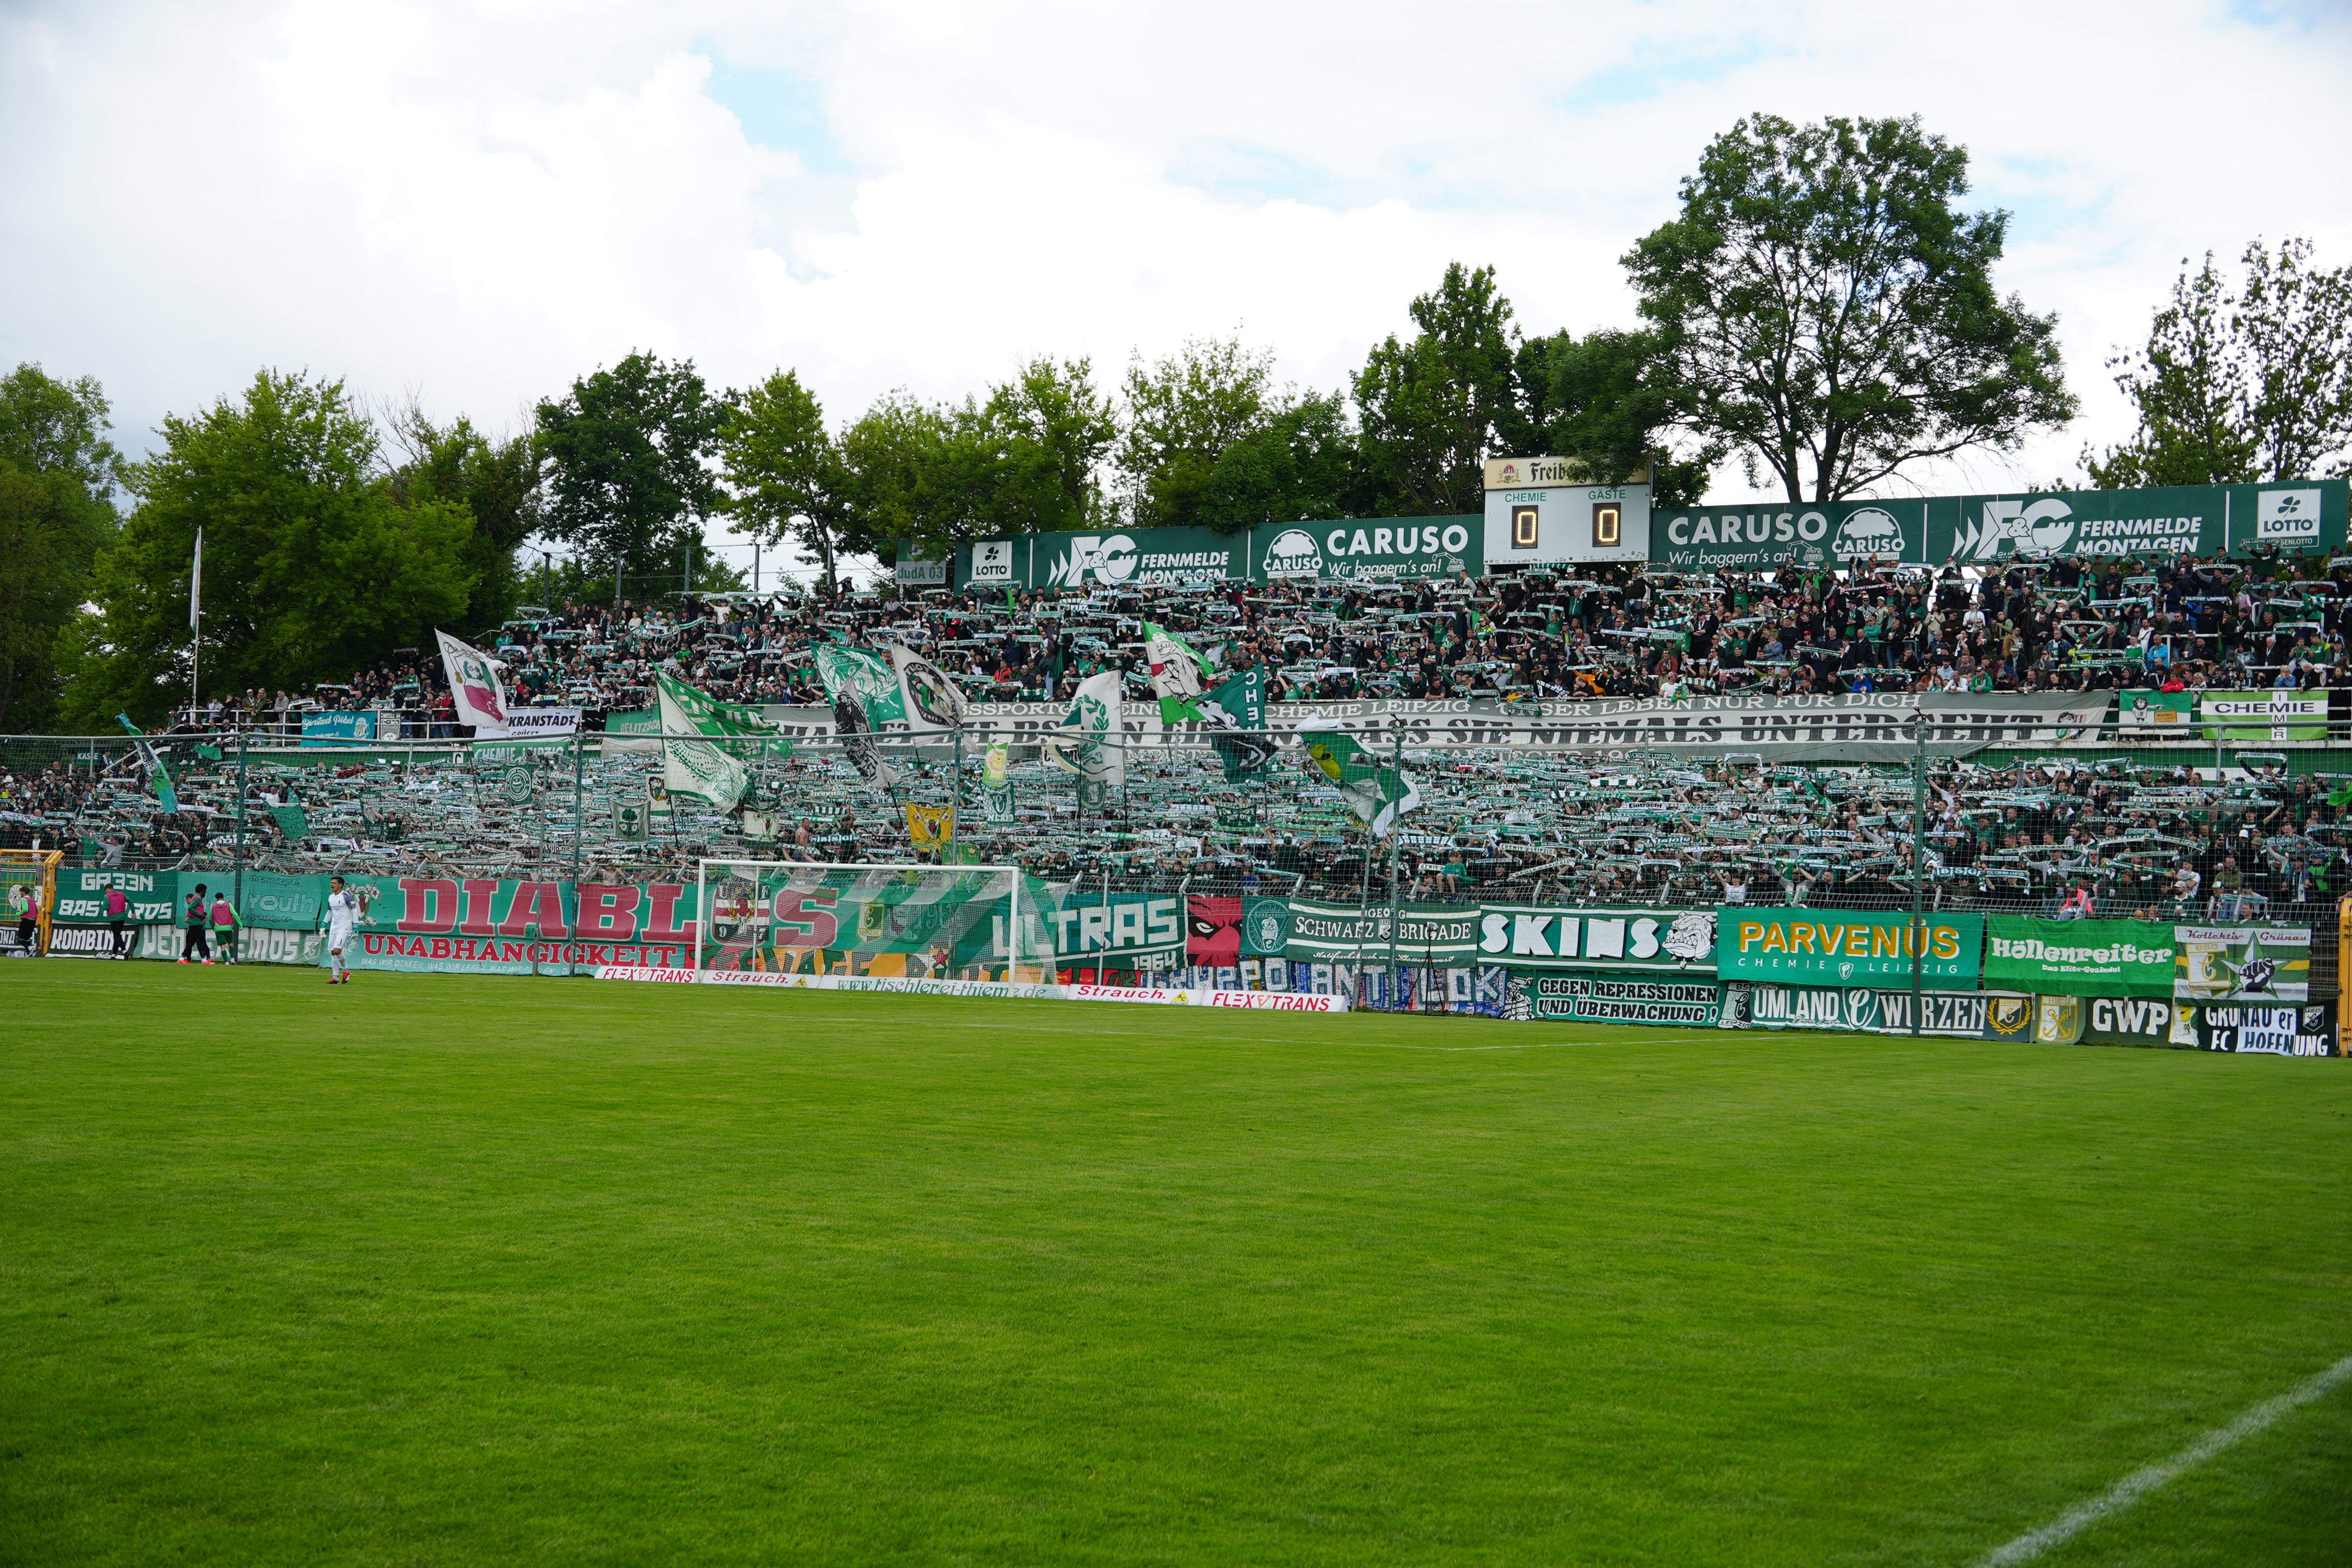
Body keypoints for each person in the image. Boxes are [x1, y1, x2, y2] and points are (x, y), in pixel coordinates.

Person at [322, 874, 359, 984]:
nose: (332, 885)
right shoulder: (331, 898)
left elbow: (354, 911)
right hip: (334, 927)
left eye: (334, 883)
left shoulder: (346, 896)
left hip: (344, 927)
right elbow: (330, 911)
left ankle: (346, 970)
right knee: (333, 952)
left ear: (340, 885)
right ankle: (336, 978)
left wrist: (355, 926)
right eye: (331, 883)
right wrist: (324, 924)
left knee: (337, 951)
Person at [180, 882, 212, 964]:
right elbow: (191, 908)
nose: (205, 893)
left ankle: (182, 957)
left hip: (193, 922)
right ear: (202, 891)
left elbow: (194, 909)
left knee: (191, 942)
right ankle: (204, 960)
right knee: (200, 941)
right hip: (196, 922)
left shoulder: (195, 898)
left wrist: (202, 914)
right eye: (205, 891)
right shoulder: (198, 899)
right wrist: (200, 916)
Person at [210, 891, 240, 965]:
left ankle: (226, 962)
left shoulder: (213, 906)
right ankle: (233, 959)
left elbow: (210, 918)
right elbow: (235, 915)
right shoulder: (228, 905)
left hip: (218, 928)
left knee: (222, 946)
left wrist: (213, 927)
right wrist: (240, 924)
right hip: (228, 927)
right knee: (231, 943)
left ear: (216, 899)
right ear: (223, 898)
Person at [105, 882, 130, 959]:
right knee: (117, 935)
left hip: (113, 918)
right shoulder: (122, 894)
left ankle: (125, 951)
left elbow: (105, 907)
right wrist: (133, 913)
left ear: (108, 889)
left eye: (106, 890)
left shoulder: (107, 896)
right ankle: (114, 954)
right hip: (122, 917)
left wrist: (111, 908)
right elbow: (131, 902)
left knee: (117, 935)